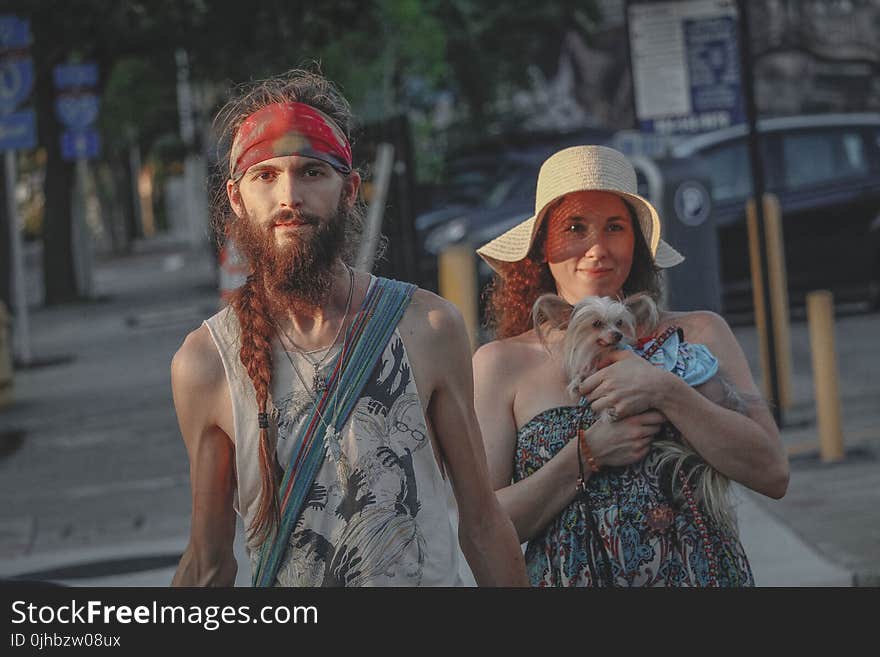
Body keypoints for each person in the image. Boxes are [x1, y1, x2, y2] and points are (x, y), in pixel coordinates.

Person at [170, 69, 527, 587]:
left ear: (350, 189)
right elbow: (208, 563)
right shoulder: (206, 364)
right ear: (237, 198)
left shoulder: (426, 326)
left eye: (312, 172)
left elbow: (482, 523)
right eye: (265, 176)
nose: (289, 196)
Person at [472, 145, 789, 587]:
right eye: (575, 227)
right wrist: (587, 454)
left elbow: (772, 472)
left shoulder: (698, 335)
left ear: (636, 244)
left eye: (615, 227)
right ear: (544, 245)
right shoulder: (501, 364)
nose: (597, 247)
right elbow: (485, 530)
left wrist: (666, 391)